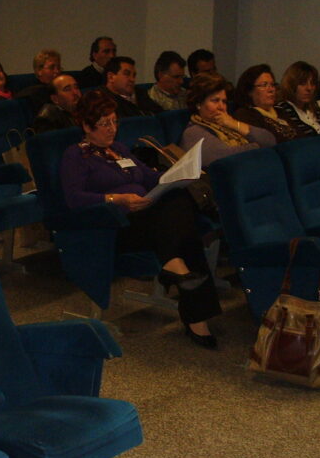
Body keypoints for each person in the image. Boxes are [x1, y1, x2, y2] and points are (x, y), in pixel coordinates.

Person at [59, 88, 222, 347]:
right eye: (104, 124)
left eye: (114, 122)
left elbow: (149, 177)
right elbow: (74, 199)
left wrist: (176, 176)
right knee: (181, 228)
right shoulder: (76, 155)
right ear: (86, 126)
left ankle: (175, 268)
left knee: (179, 202)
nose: (112, 129)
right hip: (113, 226)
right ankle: (195, 316)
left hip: (147, 218)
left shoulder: (121, 149)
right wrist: (118, 200)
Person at [180, 72, 276, 168]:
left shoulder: (228, 124)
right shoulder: (193, 132)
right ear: (199, 104)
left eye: (224, 102)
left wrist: (234, 124)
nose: (221, 107)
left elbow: (270, 140)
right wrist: (259, 146)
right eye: (215, 100)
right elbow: (226, 158)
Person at [233, 64, 312, 142]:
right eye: (264, 85)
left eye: (272, 85)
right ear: (249, 91)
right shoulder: (246, 115)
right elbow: (266, 142)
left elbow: (302, 137)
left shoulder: (280, 111)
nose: (271, 90)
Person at [277, 61, 320, 134]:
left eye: (312, 83)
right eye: (303, 83)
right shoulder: (283, 109)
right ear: (291, 85)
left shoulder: (314, 107)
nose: (309, 88)